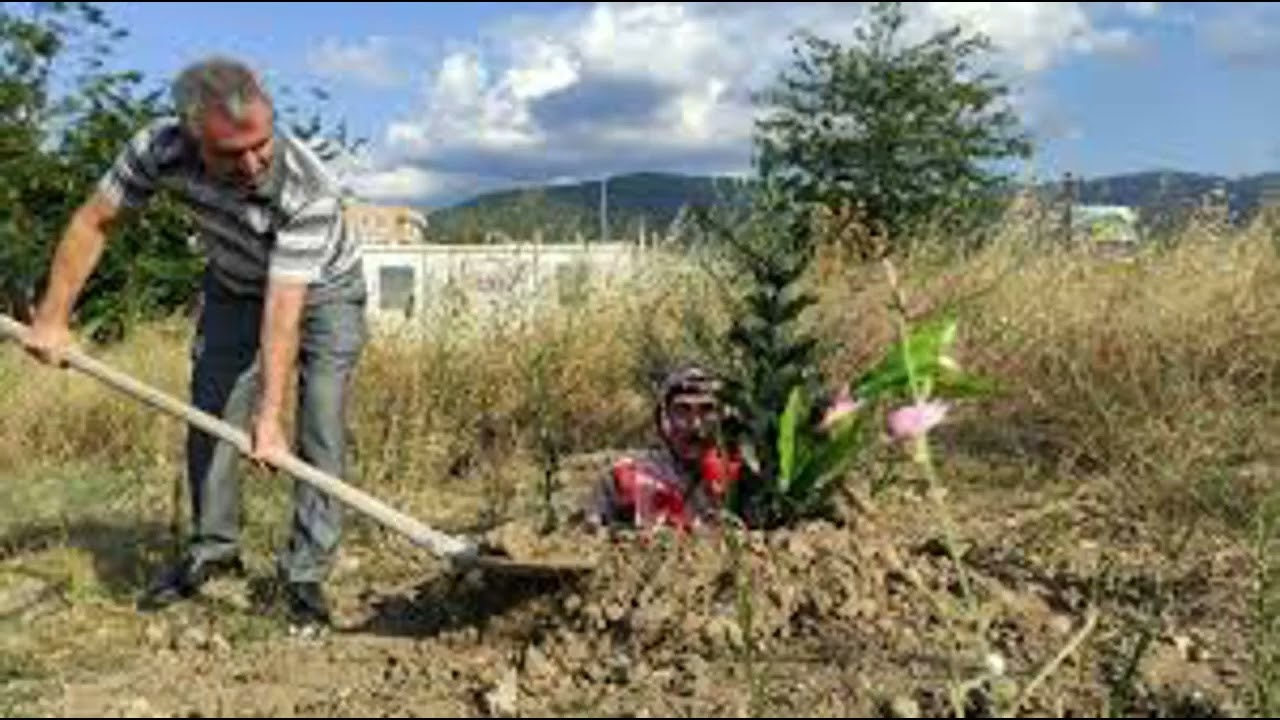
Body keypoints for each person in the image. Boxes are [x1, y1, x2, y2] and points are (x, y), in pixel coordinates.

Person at [21, 56, 367, 628]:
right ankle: (214, 552)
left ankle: (305, 572)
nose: (255, 163)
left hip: (322, 289)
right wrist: (53, 318)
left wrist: (270, 418)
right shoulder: (157, 150)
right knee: (212, 410)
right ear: (191, 135)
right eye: (232, 153)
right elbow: (94, 223)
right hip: (232, 283)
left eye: (262, 142)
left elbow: (285, 306)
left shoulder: (309, 185)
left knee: (321, 418)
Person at [587, 364, 743, 532]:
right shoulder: (627, 478)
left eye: (707, 410)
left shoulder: (741, 479)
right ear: (665, 417)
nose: (695, 425)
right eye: (683, 410)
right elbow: (588, 540)